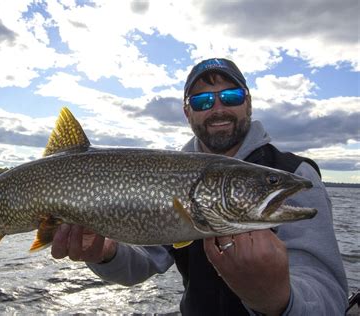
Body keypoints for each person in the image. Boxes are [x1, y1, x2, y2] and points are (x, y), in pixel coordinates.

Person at [50, 58, 348, 315]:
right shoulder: (168, 173)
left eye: (230, 97)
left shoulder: (293, 173)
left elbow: (328, 295)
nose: (217, 108)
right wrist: (106, 253)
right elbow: (143, 263)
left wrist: (277, 300)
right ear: (187, 113)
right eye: (202, 101)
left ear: (249, 103)